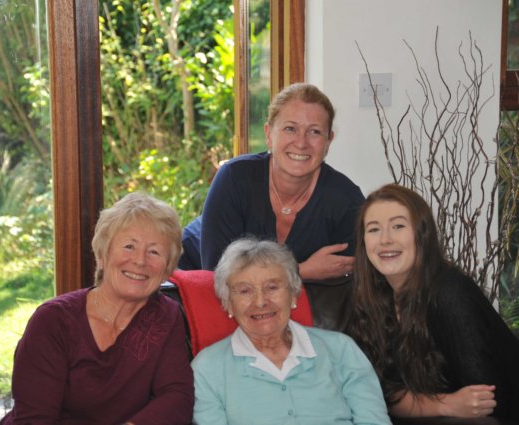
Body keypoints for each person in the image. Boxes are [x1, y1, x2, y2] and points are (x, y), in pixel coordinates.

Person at [0, 192, 194, 425]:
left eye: (154, 251)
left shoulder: (166, 316)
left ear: (167, 269)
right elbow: (34, 420)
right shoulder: (53, 321)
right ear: (102, 256)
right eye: (129, 246)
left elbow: (176, 396)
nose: (140, 261)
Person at [346, 183, 519, 421]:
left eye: (398, 226)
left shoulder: (450, 293)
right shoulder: (369, 298)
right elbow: (379, 394)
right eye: (374, 229)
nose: (385, 239)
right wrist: (446, 404)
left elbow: (486, 402)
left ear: (422, 235)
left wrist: (432, 405)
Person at [191, 237, 391, 425]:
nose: (260, 302)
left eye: (272, 287)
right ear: (228, 304)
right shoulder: (207, 368)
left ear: (294, 294)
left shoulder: (341, 349)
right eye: (245, 291)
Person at [180, 83, 364, 280]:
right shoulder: (234, 177)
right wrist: (301, 271)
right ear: (269, 134)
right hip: (189, 279)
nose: (301, 143)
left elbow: (355, 282)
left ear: (328, 141)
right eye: (290, 129)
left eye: (315, 132)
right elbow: (217, 278)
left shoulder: (347, 201)